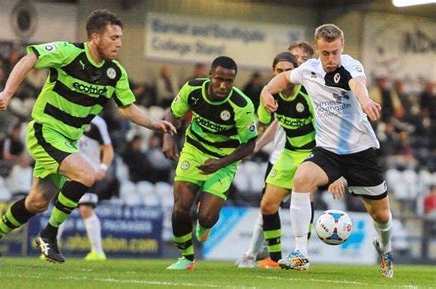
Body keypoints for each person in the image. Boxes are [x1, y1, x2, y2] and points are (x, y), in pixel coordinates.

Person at [0, 9, 176, 266]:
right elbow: (30, 58)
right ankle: (49, 233)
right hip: (45, 130)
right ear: (95, 37)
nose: (119, 43)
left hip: (67, 141)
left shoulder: (115, 73)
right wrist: (8, 92)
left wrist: (154, 124)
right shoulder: (69, 53)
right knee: (86, 174)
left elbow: (128, 109)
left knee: (36, 202)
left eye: (120, 37)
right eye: (113, 37)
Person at [261, 24, 393, 278]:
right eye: (325, 53)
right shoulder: (309, 69)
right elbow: (285, 78)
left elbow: (357, 84)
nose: (331, 59)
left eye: (335, 52)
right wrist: (267, 91)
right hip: (328, 151)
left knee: (382, 215)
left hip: (360, 152)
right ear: (318, 50)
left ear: (342, 48)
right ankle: (301, 254)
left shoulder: (350, 66)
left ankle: (384, 248)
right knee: (301, 179)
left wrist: (365, 101)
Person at [163, 56, 258, 270]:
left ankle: (205, 225)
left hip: (223, 160)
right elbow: (173, 113)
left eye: (229, 81)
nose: (223, 85)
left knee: (205, 217)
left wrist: (221, 163)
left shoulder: (241, 105)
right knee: (180, 208)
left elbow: (250, 144)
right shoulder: (192, 89)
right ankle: (187, 258)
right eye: (219, 79)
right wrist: (168, 137)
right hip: (194, 151)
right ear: (209, 76)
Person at [236, 41, 315, 268]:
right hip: (286, 154)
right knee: (268, 205)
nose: (285, 75)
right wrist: (246, 147)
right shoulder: (270, 94)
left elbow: (324, 131)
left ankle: (301, 256)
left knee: (301, 203)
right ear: (273, 73)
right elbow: (262, 125)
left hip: (310, 155)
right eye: (279, 71)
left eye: (289, 70)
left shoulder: (309, 94)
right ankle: (274, 257)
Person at [59, 115, 113, 261]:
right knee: (60, 208)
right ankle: (50, 247)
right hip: (68, 170)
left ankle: (97, 251)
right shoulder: (66, 116)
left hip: (89, 172)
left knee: (86, 209)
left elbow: (108, 149)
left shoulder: (97, 122)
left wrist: (103, 167)